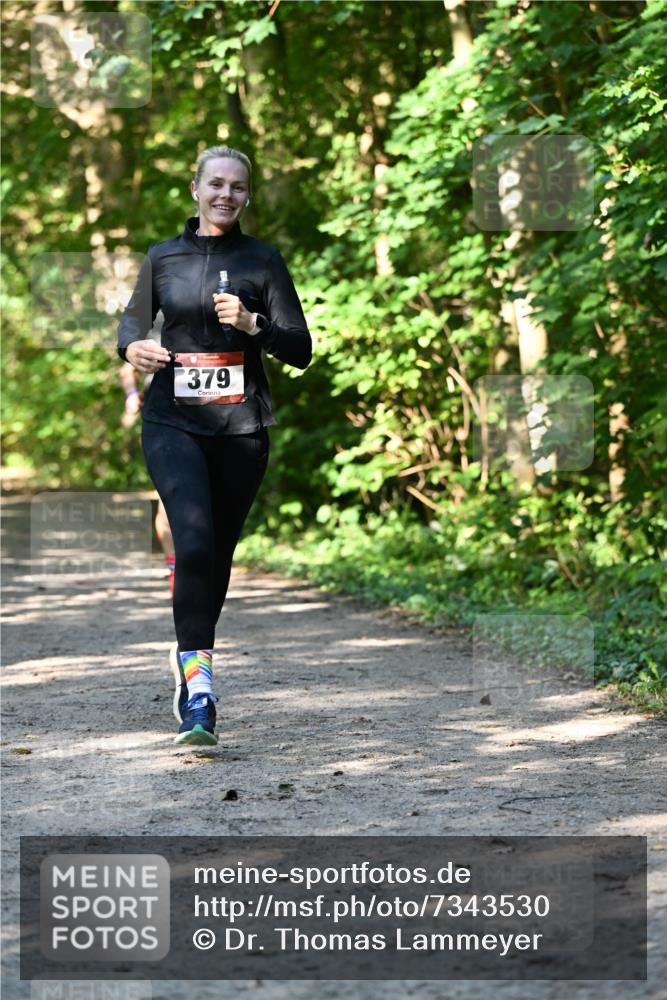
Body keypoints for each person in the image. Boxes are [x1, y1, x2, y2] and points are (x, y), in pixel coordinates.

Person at [117, 145, 312, 746]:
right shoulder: (162, 258)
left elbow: (300, 349)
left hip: (242, 430)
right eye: (216, 184)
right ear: (195, 188)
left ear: (247, 196)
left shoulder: (263, 260)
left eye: (238, 187)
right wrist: (133, 350)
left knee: (216, 556)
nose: (226, 194)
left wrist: (256, 326)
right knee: (194, 540)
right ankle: (198, 687)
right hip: (173, 420)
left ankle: (192, 663)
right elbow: (131, 324)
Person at [119, 315, 176, 595]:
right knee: (168, 499)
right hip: (165, 417)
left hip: (216, 417)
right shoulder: (152, 319)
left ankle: (205, 563)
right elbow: (127, 368)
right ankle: (175, 568)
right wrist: (131, 395)